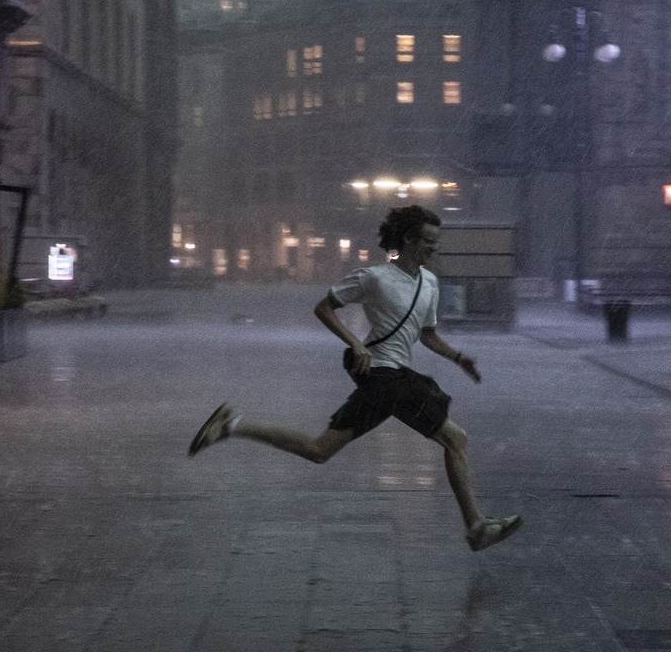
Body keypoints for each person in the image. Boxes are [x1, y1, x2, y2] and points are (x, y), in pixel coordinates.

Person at [188, 205, 522, 552]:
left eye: (435, 242)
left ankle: (232, 425)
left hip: (389, 382)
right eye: (427, 241)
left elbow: (426, 334)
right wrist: (355, 343)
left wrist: (457, 357)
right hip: (383, 376)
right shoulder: (374, 277)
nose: (432, 249)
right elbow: (323, 307)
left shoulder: (431, 284)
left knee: (320, 450)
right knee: (456, 439)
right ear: (407, 239)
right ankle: (476, 527)